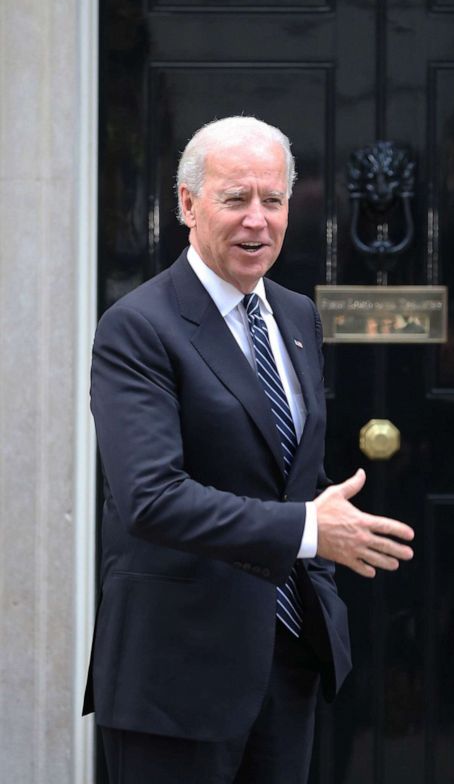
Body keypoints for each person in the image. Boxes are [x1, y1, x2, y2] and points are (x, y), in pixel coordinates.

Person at [83, 115, 414, 783]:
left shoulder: (295, 316)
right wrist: (307, 532)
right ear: (187, 204)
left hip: (286, 657)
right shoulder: (137, 328)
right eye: (235, 199)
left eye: (273, 199)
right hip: (173, 675)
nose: (256, 221)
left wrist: (317, 581)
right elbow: (151, 497)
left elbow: (295, 477)